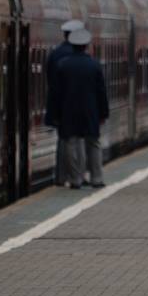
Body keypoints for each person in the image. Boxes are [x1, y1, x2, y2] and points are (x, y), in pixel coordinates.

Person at [54, 26, 109, 189]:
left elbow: (56, 93)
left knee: (71, 142)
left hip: (68, 111)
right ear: (86, 46)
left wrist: (56, 114)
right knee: (93, 143)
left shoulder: (63, 65)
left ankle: (76, 179)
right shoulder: (94, 65)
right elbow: (101, 92)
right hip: (90, 111)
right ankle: (96, 178)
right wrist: (103, 113)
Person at [45, 19, 84, 188]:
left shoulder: (55, 54)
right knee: (77, 143)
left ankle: (61, 176)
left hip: (61, 106)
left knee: (63, 141)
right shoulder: (81, 58)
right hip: (78, 107)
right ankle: (78, 176)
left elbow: (51, 84)